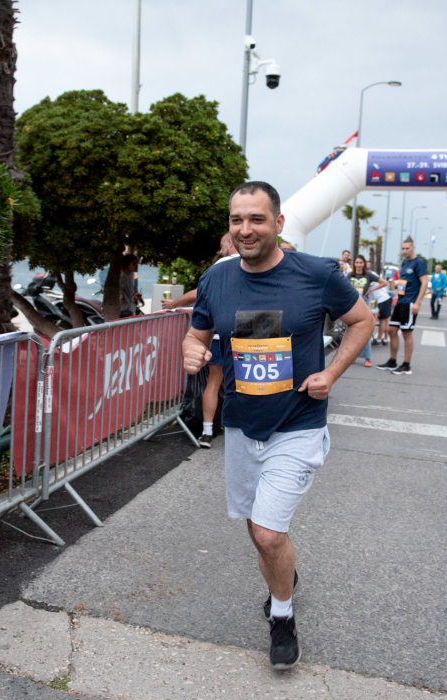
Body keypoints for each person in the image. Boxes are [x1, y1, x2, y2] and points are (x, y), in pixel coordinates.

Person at [184, 180, 373, 670]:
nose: (245, 230)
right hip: (243, 426)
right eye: (236, 220)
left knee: (268, 533)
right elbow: (197, 333)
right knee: (258, 527)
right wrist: (192, 350)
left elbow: (363, 321)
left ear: (279, 224)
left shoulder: (317, 274)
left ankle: (283, 617)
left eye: (257, 219)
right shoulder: (216, 279)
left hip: (298, 424)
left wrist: (330, 374)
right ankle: (284, 572)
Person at [161, 235, 240, 448]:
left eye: (222, 242)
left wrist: (172, 303)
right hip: (245, 336)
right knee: (239, 382)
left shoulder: (221, 266)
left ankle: (207, 431)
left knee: (213, 383)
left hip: (217, 335)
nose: (221, 246)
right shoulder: (253, 263)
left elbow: (197, 294)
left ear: (229, 244)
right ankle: (238, 429)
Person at [378, 238, 428, 375]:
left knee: (406, 333)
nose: (405, 251)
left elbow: (424, 283)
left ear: (413, 248)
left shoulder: (419, 262)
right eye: (403, 248)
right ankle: (392, 361)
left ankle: (406, 365)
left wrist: (417, 302)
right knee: (392, 330)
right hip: (400, 301)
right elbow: (403, 281)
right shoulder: (404, 262)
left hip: (410, 302)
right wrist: (395, 285)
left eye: (407, 248)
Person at [348, 255, 380, 366]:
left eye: (361, 262)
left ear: (364, 264)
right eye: (357, 262)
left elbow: (383, 282)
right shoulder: (350, 275)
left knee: (365, 330)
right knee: (352, 331)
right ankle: (353, 356)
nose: (359, 265)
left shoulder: (368, 275)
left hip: (364, 303)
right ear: (354, 264)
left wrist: (371, 290)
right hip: (352, 303)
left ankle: (367, 357)